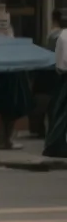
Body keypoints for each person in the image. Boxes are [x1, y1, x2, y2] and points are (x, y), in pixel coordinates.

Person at [46, 10, 67, 159]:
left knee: (60, 112)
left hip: (61, 75)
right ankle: (55, 145)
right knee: (62, 113)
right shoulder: (63, 37)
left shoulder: (60, 36)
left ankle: (55, 144)